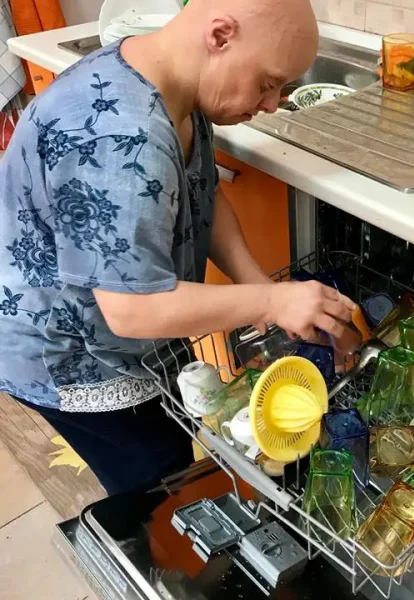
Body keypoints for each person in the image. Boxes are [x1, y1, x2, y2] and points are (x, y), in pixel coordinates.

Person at [0, 0, 356, 495]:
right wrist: (271, 300)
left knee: (170, 453)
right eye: (268, 83)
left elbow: (202, 191)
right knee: (160, 483)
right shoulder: (120, 139)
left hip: (124, 333)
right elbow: (132, 310)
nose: (273, 104)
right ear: (220, 36)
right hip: (75, 355)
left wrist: (255, 282)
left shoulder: (170, 81)